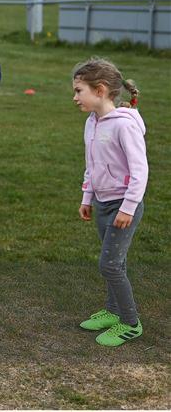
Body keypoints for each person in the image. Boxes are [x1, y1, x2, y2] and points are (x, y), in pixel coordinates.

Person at [73, 58, 148, 347]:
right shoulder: (92, 122)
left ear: (100, 90)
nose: (75, 97)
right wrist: (87, 197)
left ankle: (130, 322)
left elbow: (140, 170)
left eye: (79, 91)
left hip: (122, 206)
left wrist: (128, 207)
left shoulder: (124, 126)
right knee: (116, 261)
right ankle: (113, 310)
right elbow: (92, 164)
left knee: (110, 265)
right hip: (103, 204)